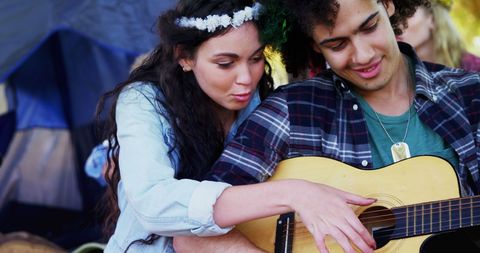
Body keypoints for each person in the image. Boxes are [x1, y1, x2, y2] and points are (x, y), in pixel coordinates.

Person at [174, 0, 480, 252]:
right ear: (314, 45)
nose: (363, 55)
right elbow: (190, 235)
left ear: (388, 5)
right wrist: (295, 194)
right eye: (337, 44)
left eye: (369, 27)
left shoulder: (470, 94)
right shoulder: (293, 111)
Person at [97, 0, 377, 252]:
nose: (246, 78)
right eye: (225, 63)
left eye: (256, 59)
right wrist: (293, 193)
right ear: (184, 56)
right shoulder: (143, 102)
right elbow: (153, 203)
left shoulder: (264, 101)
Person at [397, 0, 480, 72]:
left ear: (432, 19)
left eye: (407, 14)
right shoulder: (398, 74)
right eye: (393, 18)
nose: (396, 25)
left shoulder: (474, 68)